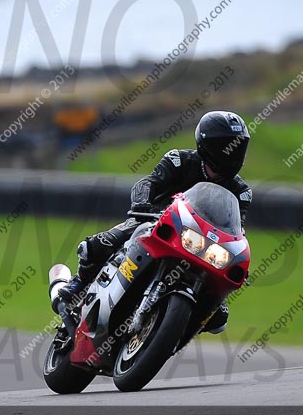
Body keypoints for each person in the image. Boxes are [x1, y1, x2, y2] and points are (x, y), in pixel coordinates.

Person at [59, 110, 252, 334]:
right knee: (96, 246)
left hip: (202, 244)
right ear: (206, 145)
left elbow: (237, 229)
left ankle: (171, 331)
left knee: (218, 316)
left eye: (238, 147)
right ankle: (79, 284)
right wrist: (142, 204)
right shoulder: (179, 160)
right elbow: (147, 184)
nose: (232, 154)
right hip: (157, 223)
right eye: (226, 147)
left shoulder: (242, 192)